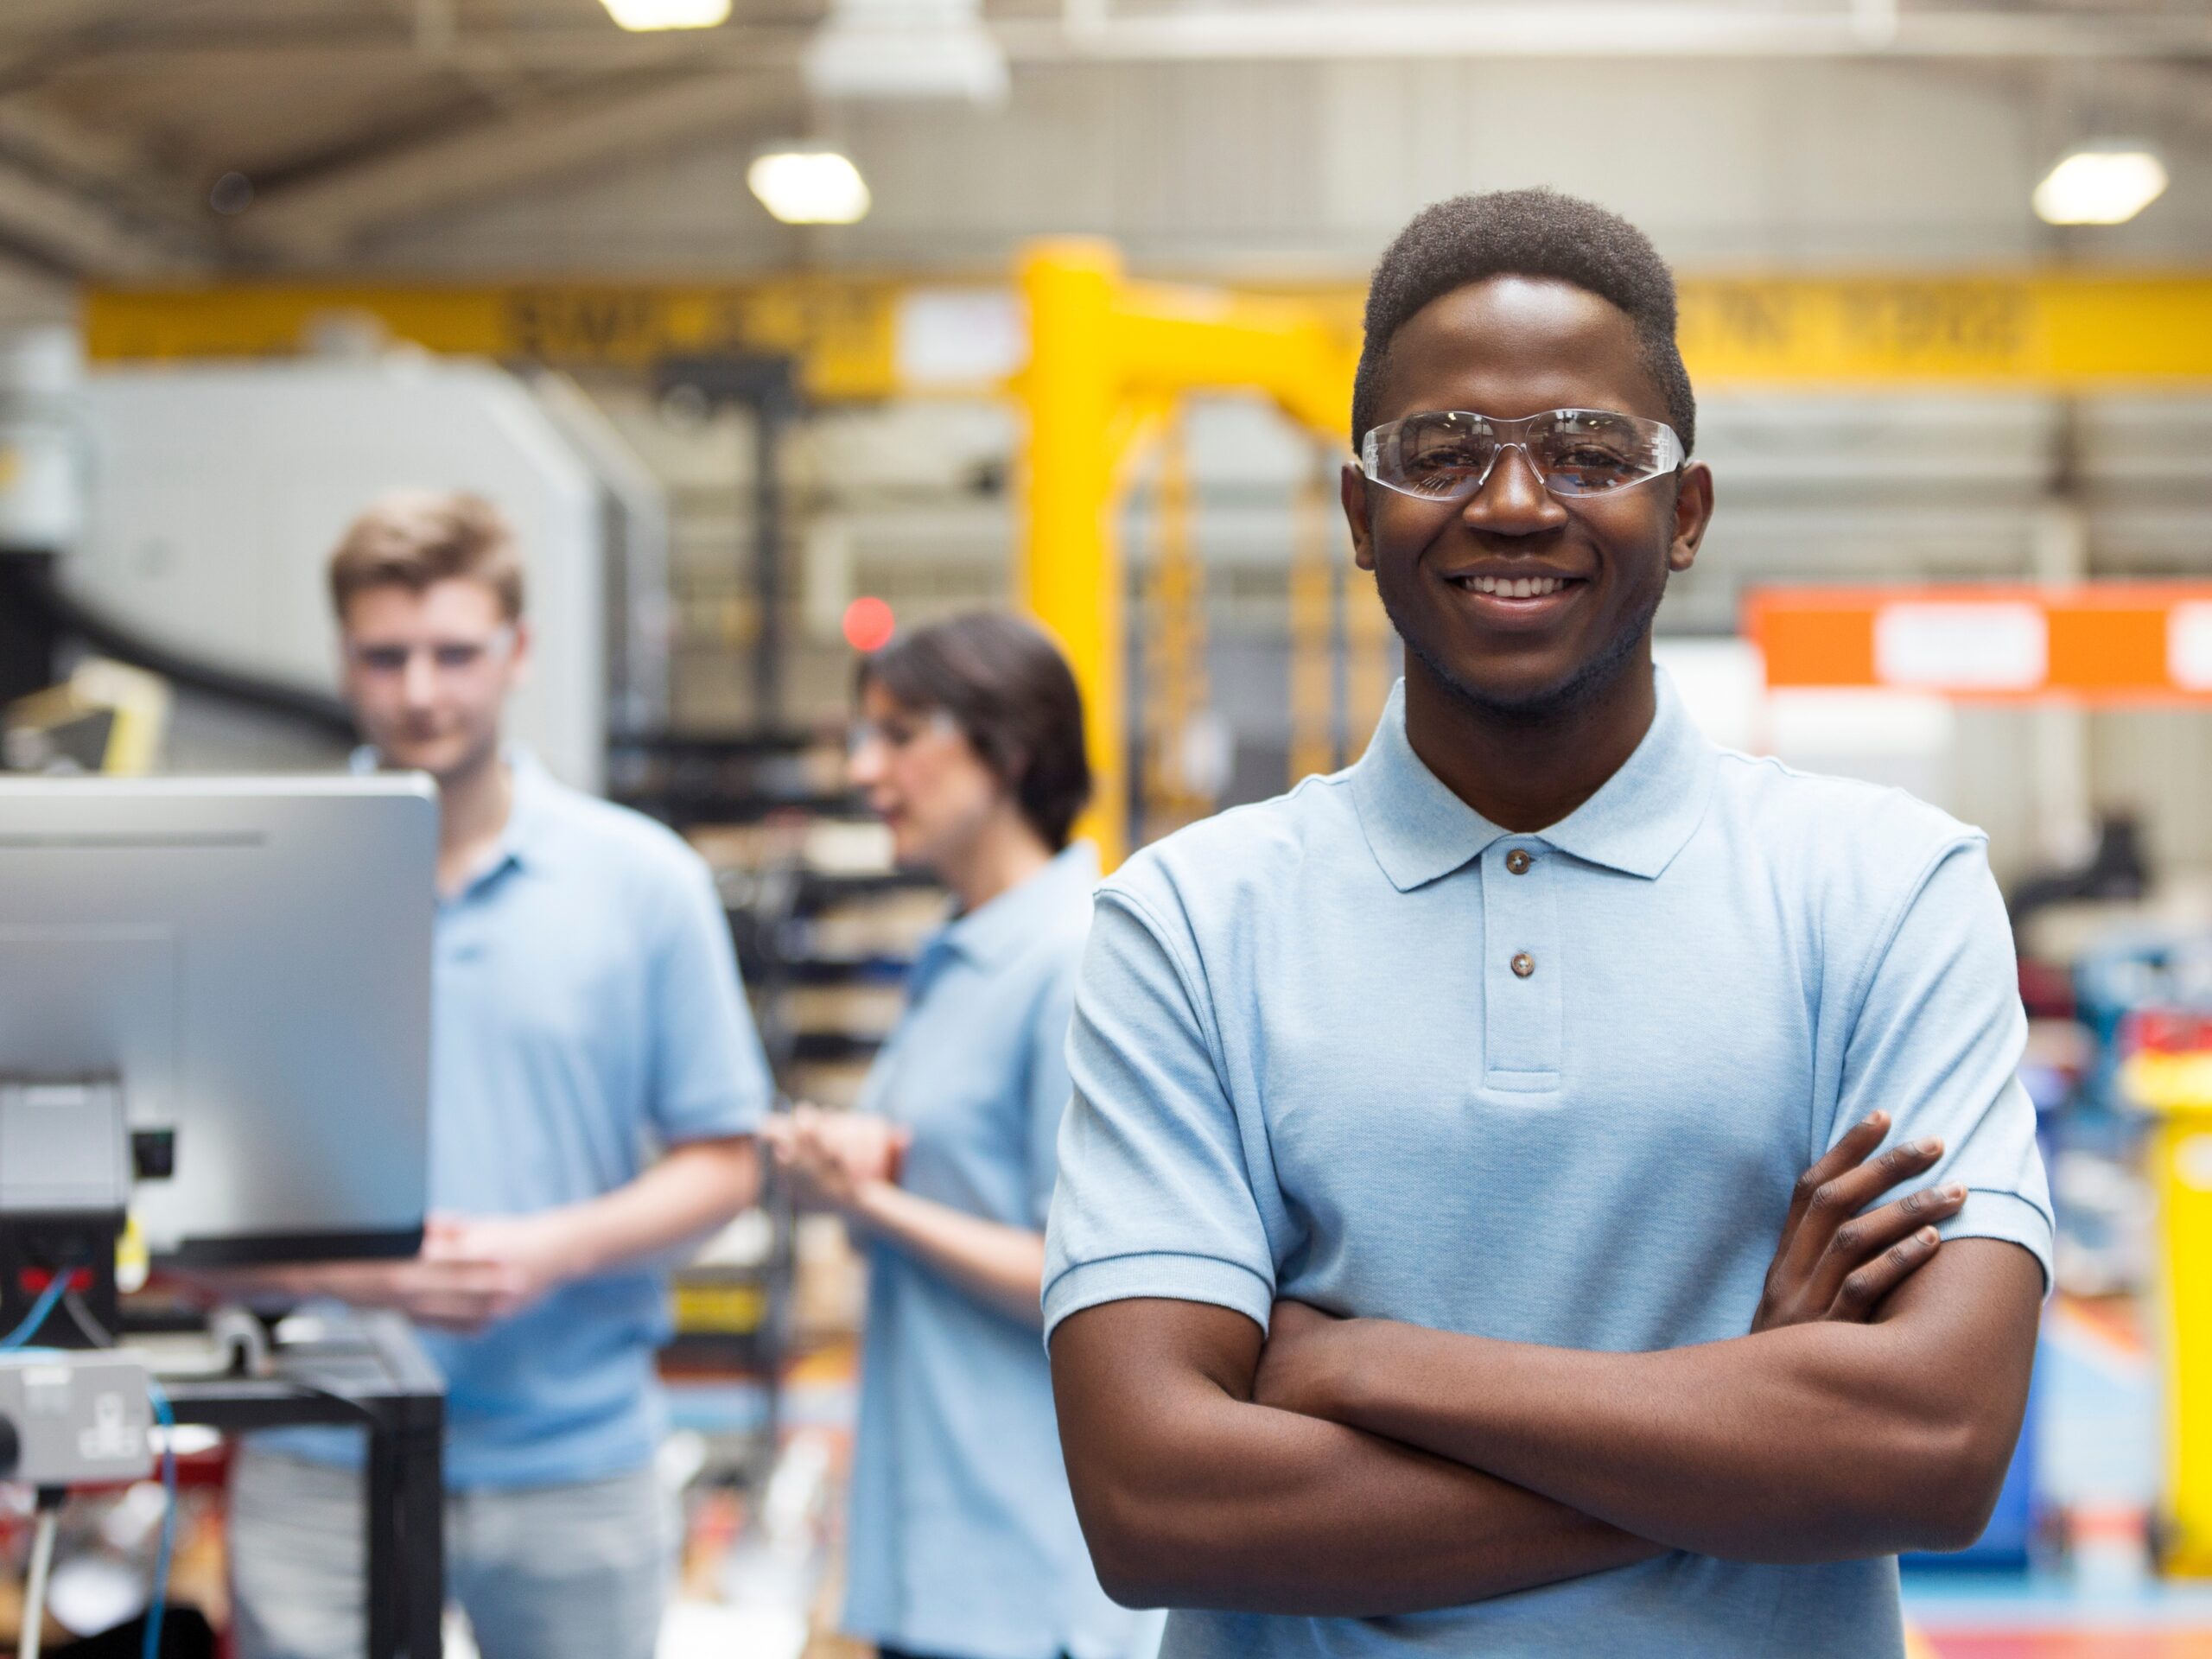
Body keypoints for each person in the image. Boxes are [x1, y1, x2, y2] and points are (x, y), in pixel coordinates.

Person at [1044, 189, 2050, 1657]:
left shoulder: (1887, 890)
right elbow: (1154, 1505)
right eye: (1441, 453)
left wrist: (1372, 1366)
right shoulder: (1188, 925)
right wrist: (1745, 1420)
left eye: (1590, 453)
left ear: (1686, 512)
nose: (1514, 502)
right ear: (1358, 517)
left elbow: (1935, 1449)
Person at [224, 491, 773, 1659]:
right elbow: (185, 1213)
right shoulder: (259, 884)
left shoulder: (642, 884)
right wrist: (369, 1279)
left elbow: (726, 1162)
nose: (422, 691)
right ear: (342, 661)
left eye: (455, 653)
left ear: (519, 653)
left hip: (578, 1466)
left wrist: (547, 1251)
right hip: (324, 1451)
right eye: (387, 656)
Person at [765, 612, 1144, 1659]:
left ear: (1007, 747)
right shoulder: (959, 954)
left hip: (1024, 1574)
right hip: (939, 1558)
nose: (864, 766)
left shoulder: (1069, 959)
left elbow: (1093, 1282)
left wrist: (867, 1200)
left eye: (898, 734)